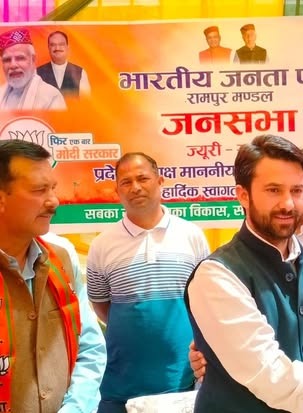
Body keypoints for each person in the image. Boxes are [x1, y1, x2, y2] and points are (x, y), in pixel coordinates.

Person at [185, 134, 303, 413]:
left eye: (297, 190)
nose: (288, 204)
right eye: (273, 190)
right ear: (243, 195)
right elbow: (271, 376)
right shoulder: (217, 275)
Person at [86, 152, 210, 412]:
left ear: (160, 181)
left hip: (182, 384)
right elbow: (102, 306)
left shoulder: (192, 236)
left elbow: (204, 301)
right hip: (120, 388)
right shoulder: (101, 245)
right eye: (126, 182)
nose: (135, 187)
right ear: (117, 191)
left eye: (143, 178)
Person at [0, 139, 105, 412]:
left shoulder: (61, 260)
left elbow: (89, 348)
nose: (53, 201)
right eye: (39, 190)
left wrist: (75, 409)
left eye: (53, 188)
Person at [0, 28, 66, 110]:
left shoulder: (51, 97)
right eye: (7, 60)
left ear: (33, 60)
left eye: (20, 58)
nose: (13, 65)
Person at [37, 30, 91, 97]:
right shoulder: (37, 73)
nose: (57, 48)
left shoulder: (80, 72)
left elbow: (86, 102)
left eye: (61, 44)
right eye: (53, 45)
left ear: (67, 47)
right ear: (48, 48)